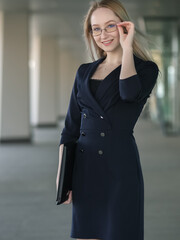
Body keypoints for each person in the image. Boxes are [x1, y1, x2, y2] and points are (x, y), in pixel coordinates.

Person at [56, 0, 160, 239]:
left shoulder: (146, 70)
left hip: (119, 169)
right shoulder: (83, 72)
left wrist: (126, 48)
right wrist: (63, 177)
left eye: (110, 26)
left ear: (124, 26)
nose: (103, 34)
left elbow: (128, 93)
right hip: (85, 169)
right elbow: (71, 128)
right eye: (96, 28)